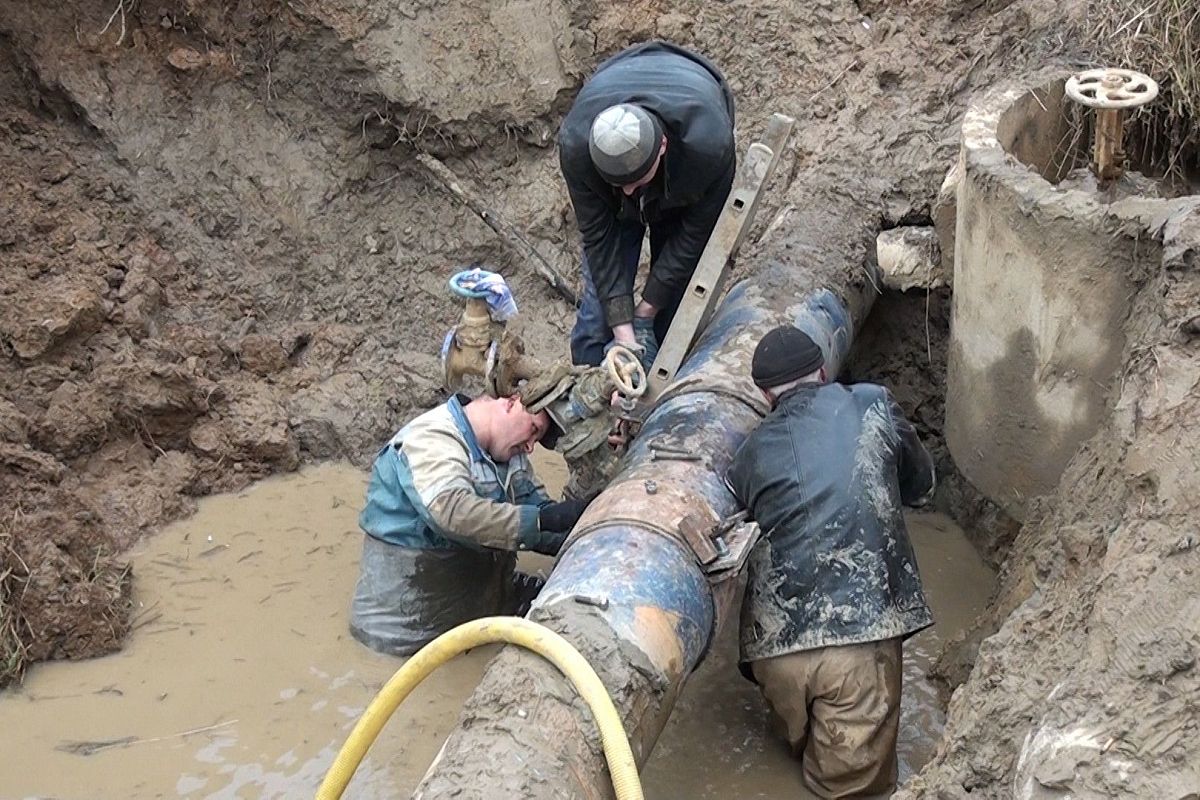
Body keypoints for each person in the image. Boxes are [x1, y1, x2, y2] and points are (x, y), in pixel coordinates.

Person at [726, 326, 937, 799]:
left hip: (771, 653)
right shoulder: (874, 404)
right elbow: (920, 483)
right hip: (858, 644)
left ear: (765, 395)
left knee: (796, 750)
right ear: (823, 370)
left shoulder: (747, 453)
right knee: (849, 792)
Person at [349, 393, 587, 656]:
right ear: (511, 402)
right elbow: (451, 512)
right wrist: (544, 520)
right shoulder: (433, 436)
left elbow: (540, 517)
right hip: (405, 634)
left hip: (472, 608)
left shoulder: (507, 453)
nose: (531, 446)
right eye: (534, 430)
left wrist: (585, 531)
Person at [558, 41, 736, 368]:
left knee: (670, 318)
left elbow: (694, 235)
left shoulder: (710, 147)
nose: (628, 192)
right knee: (597, 324)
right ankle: (588, 394)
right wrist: (624, 333)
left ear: (662, 146)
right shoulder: (576, 147)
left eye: (636, 181)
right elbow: (599, 238)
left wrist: (645, 313)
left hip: (684, 167)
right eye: (618, 183)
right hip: (616, 80)